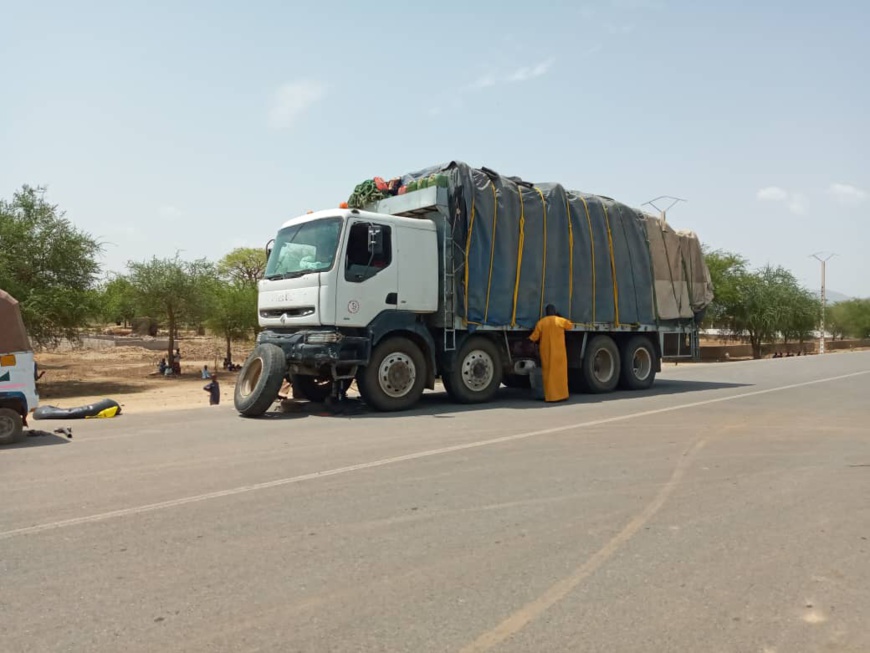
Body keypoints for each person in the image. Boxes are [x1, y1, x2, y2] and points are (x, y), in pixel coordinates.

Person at [529, 304, 574, 403]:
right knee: (561, 375)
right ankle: (563, 395)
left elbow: (534, 337)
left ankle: (551, 397)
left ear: (546, 312)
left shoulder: (541, 322)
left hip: (547, 354)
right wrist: (561, 316)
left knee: (548, 375)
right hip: (559, 354)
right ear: (554, 311)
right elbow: (570, 326)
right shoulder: (559, 321)